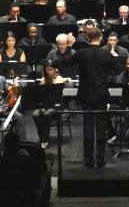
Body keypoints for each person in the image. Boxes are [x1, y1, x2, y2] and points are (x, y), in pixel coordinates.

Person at [51, 29, 123, 167]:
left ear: (86, 38)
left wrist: (70, 46)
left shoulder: (81, 53)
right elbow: (119, 69)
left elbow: (65, 62)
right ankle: (100, 160)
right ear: (101, 38)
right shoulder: (105, 53)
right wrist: (109, 65)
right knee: (101, 128)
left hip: (86, 95)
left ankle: (88, 161)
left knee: (88, 127)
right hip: (101, 95)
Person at [32, 61, 68, 149]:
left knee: (46, 114)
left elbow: (57, 96)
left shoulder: (58, 79)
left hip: (57, 106)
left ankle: (45, 139)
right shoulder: (44, 80)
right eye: (47, 70)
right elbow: (40, 96)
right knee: (35, 114)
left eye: (51, 70)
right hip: (45, 105)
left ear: (55, 70)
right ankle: (41, 138)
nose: (49, 72)